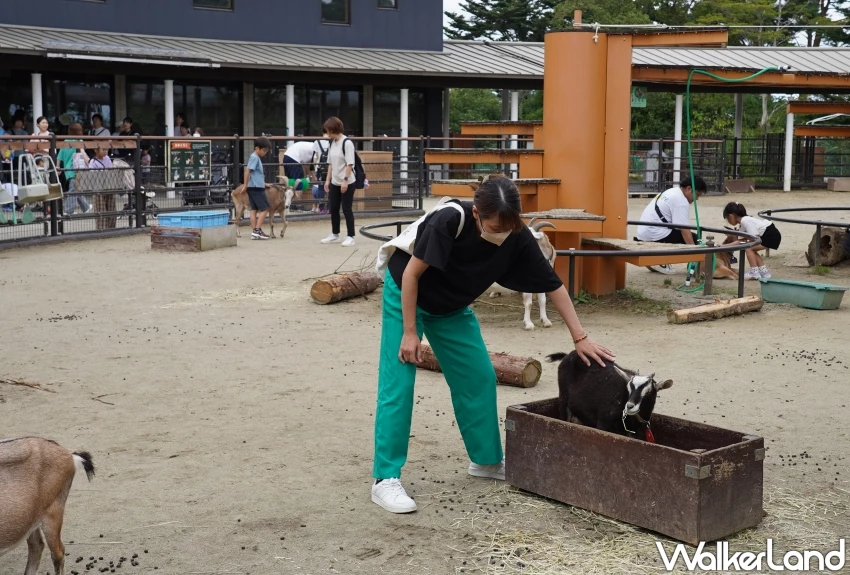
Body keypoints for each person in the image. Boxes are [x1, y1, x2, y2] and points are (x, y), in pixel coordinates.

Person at [370, 176, 614, 514]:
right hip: (407, 294)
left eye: (508, 225)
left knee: (479, 377)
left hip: (451, 306)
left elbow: (553, 284)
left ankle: (485, 462)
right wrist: (410, 333)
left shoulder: (517, 234)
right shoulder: (449, 219)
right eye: (494, 225)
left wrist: (580, 337)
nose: (501, 233)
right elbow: (411, 274)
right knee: (399, 380)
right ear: (476, 215)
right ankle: (385, 478)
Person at [635, 175, 707, 274]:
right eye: (697, 194)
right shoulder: (681, 201)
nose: (697, 199)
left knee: (684, 236)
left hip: (644, 231)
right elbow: (684, 229)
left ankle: (657, 258)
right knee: (695, 239)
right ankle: (660, 260)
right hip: (654, 232)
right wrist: (695, 254)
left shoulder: (672, 191)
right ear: (689, 189)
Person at [320, 117, 357, 247]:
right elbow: (330, 163)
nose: (327, 133)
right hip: (335, 181)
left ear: (333, 129)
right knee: (334, 208)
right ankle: (335, 234)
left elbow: (350, 163)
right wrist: (327, 180)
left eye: (328, 130)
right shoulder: (332, 142)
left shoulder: (346, 142)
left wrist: (345, 181)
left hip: (347, 181)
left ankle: (351, 236)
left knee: (346, 208)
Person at [723, 202, 781, 280]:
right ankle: (764, 272)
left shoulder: (745, 221)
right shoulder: (743, 223)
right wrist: (723, 246)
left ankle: (754, 272)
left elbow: (754, 237)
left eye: (727, 219)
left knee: (749, 248)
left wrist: (747, 242)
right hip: (771, 234)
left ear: (731, 216)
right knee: (752, 249)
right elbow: (741, 241)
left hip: (770, 235)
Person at [56, 123, 92, 215]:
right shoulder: (79, 141)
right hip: (76, 169)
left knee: (76, 189)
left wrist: (58, 167)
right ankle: (68, 210)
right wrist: (89, 162)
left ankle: (86, 207)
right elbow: (83, 153)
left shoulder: (65, 141)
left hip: (67, 170)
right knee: (74, 190)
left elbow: (59, 156)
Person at [242, 136, 273, 240]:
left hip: (254, 186)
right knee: (265, 208)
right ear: (257, 148)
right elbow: (248, 171)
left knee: (254, 210)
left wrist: (263, 183)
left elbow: (255, 174)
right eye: (264, 150)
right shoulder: (255, 157)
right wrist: (245, 185)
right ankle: (257, 230)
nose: (265, 153)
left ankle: (255, 232)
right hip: (256, 188)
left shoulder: (255, 157)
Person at [311, 131, 330, 213]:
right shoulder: (332, 141)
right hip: (330, 167)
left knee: (321, 188)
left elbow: (316, 157)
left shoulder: (316, 142)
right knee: (330, 188)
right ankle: (330, 208)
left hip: (320, 169)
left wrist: (316, 167)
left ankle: (321, 208)